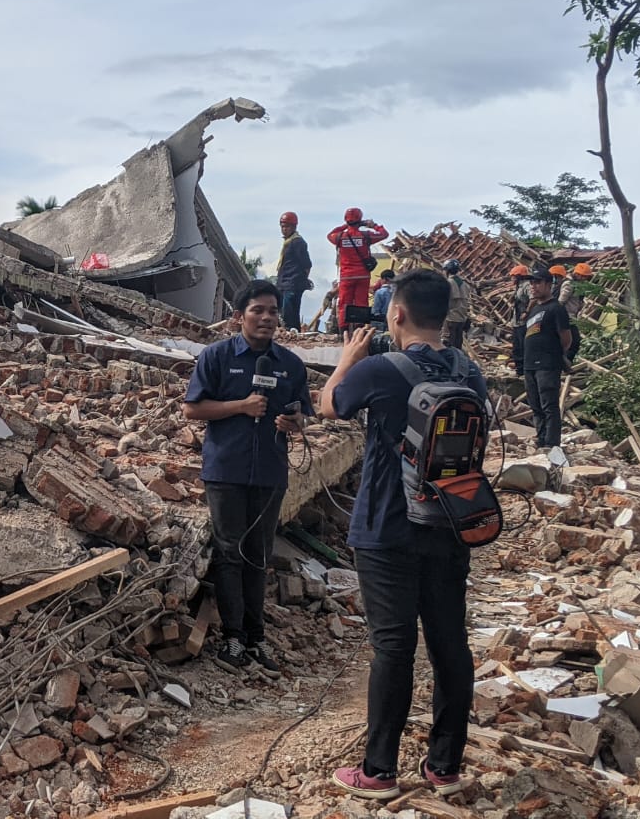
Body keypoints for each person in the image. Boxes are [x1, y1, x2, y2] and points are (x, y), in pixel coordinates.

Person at [318, 269, 488, 800]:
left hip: (388, 526)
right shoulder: (471, 372)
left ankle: (378, 772)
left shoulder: (384, 368)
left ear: (397, 312)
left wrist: (349, 356)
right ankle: (444, 766)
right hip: (451, 525)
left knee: (392, 647)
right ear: (445, 315)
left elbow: (330, 405)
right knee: (449, 644)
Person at [182, 280, 314, 675]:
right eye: (258, 310)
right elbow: (193, 409)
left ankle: (256, 637)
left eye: (273, 311)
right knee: (229, 552)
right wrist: (241, 406)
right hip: (226, 470)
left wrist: (294, 422)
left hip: (271, 471)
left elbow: (303, 412)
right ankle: (233, 638)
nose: (267, 318)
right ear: (239, 316)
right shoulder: (216, 356)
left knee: (258, 555)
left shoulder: (290, 364)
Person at [522, 267, 573, 449]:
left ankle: (552, 445)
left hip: (547, 364)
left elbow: (566, 338)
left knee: (549, 405)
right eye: (531, 283)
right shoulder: (535, 309)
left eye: (537, 282)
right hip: (530, 365)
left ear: (548, 284)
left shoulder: (556, 309)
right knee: (535, 406)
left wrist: (556, 355)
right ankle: (541, 439)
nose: (533, 286)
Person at [327, 208, 389, 339]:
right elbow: (384, 234)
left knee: (344, 304)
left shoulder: (339, 237)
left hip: (346, 276)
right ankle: (359, 333)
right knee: (361, 303)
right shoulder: (366, 236)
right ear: (360, 220)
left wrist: (346, 225)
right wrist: (373, 225)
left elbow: (330, 234)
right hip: (363, 276)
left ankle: (343, 332)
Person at [276, 211, 313, 331]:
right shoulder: (287, 242)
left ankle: (291, 333)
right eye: (282, 226)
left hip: (293, 283)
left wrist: (302, 280)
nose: (284, 229)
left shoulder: (298, 242)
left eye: (287, 226)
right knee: (283, 311)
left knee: (289, 313)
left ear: (294, 227)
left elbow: (307, 264)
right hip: (284, 282)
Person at [442, 259, 471, 351]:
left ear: (447, 270)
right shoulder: (465, 284)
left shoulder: (447, 283)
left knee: (447, 344)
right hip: (462, 319)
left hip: (450, 319)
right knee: (457, 345)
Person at [509, 264, 531, 375]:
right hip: (517, 321)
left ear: (519, 276)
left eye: (514, 276)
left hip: (524, 322)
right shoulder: (518, 287)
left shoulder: (527, 285)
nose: (512, 279)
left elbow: (533, 299)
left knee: (523, 346)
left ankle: (524, 369)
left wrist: (526, 312)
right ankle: (519, 369)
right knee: (517, 347)